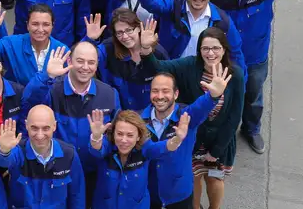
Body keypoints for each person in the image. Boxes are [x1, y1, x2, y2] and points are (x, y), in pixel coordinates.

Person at [210, 0, 303, 154]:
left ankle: (251, 129)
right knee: (223, 96)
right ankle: (222, 134)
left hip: (256, 57)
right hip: (226, 59)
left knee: (254, 96)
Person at [140, 26, 245, 209]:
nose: (210, 53)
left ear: (224, 49)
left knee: (214, 179)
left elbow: (235, 116)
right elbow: (158, 67)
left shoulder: (235, 75)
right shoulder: (188, 65)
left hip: (220, 139)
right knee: (193, 177)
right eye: (205, 48)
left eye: (215, 48)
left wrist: (217, 149)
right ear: (199, 50)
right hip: (191, 135)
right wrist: (147, 50)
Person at [22, 43, 121, 179]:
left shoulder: (110, 94)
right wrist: (47, 76)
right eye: (80, 61)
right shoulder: (52, 89)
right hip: (56, 173)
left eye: (91, 62)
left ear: (97, 65)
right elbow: (28, 101)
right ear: (69, 61)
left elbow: (116, 136)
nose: (85, 67)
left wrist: (98, 144)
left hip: (97, 174)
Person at [142, 69, 232, 209]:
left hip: (179, 194)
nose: (159, 96)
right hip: (149, 193)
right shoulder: (139, 121)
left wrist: (213, 95)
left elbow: (200, 107)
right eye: (155, 91)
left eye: (165, 91)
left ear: (176, 94)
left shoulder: (186, 116)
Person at [138, 0, 246, 77]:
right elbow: (153, 4)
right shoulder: (172, 6)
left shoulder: (222, 21)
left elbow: (235, 54)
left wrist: (239, 87)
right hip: (171, 75)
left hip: (203, 79)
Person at [87, 108, 190, 209]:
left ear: (138, 137)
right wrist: (96, 137)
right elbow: (96, 149)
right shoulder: (107, 145)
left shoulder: (145, 148)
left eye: (130, 135)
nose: (124, 140)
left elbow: (165, 147)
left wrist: (177, 139)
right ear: (113, 133)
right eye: (119, 134)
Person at [0, 106, 85, 208]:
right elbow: (2, 161)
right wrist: (4, 150)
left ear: (54, 126)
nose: (40, 135)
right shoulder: (18, 151)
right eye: (34, 128)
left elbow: (77, 195)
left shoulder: (69, 154)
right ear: (26, 125)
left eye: (46, 128)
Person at [85, 9, 170, 110]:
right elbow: (82, 59)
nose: (125, 37)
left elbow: (169, 86)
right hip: (117, 116)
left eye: (129, 30)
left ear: (138, 28)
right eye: (119, 33)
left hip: (149, 117)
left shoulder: (158, 53)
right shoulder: (107, 49)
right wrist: (90, 40)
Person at [0, 3, 69, 85]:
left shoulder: (62, 50)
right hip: (18, 99)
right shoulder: (12, 43)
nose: (40, 29)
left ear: (52, 26)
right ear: (27, 25)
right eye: (35, 24)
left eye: (46, 24)